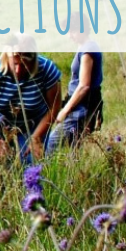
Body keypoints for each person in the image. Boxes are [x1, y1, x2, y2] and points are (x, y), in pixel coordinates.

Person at [0, 35, 62, 164]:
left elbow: (54, 107)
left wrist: (36, 137)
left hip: (33, 121)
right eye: (15, 64)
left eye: (25, 64)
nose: (18, 70)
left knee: (33, 162)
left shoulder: (46, 69)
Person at [46, 13, 104, 153]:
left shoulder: (87, 51)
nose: (69, 35)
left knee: (51, 145)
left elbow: (84, 86)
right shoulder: (87, 46)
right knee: (74, 150)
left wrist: (65, 111)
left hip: (81, 108)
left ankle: (43, 174)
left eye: (72, 31)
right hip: (81, 106)